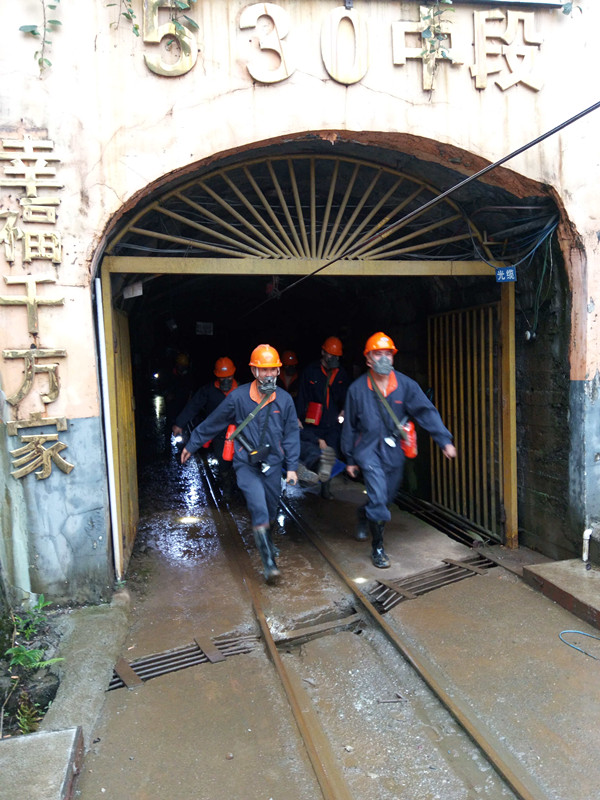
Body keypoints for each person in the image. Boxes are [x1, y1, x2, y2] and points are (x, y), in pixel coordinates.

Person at [181, 344, 300, 583]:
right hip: (247, 464)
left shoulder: (285, 400)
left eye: (273, 370)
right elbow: (214, 421)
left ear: (278, 371)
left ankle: (267, 540)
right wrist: (192, 444)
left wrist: (292, 467)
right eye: (263, 370)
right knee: (258, 507)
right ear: (254, 371)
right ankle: (269, 564)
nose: (269, 375)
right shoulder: (238, 398)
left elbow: (291, 434)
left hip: (273, 464)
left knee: (271, 508)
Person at [342, 332, 457, 569]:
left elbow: (426, 411)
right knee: (378, 495)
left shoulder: (406, 386)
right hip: (367, 450)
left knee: (386, 498)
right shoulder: (357, 389)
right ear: (368, 359)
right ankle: (378, 548)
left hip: (394, 451)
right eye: (378, 354)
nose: (384, 358)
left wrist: (443, 440)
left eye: (388, 354)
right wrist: (350, 458)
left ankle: (364, 514)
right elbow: (350, 426)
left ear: (393, 357)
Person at [172, 357, 238, 496]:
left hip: (239, 433)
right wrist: (180, 423)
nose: (226, 380)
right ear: (216, 376)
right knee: (223, 461)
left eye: (229, 377)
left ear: (233, 374)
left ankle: (242, 490)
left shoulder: (242, 391)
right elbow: (193, 406)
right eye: (222, 377)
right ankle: (227, 489)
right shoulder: (208, 391)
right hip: (219, 434)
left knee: (242, 462)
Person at [295, 336, 350, 497]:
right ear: (323, 353)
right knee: (312, 449)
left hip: (332, 421)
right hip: (313, 420)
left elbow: (346, 396)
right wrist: (297, 417)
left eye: (337, 356)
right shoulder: (310, 371)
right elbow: (302, 396)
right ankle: (308, 478)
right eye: (331, 354)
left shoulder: (341, 374)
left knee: (331, 453)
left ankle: (326, 488)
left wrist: (344, 410)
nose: (333, 358)